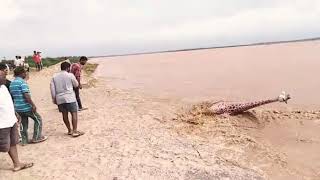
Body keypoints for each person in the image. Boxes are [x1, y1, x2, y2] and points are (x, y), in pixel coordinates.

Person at [0, 71, 33, 172]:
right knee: (3, 146)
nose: (5, 78)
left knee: (12, 143)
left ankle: (17, 164)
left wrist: (15, 113)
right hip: (1, 124)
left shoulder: (4, 87)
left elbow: (7, 102)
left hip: (10, 120)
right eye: (3, 76)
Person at [9, 67, 47, 145]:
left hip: (17, 107)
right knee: (38, 119)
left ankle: (24, 140)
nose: (26, 74)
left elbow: (12, 96)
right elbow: (26, 95)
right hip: (26, 107)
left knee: (23, 123)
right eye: (25, 73)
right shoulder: (22, 82)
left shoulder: (12, 83)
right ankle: (36, 137)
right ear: (22, 73)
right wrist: (33, 105)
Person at [50, 62, 84, 137]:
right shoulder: (70, 75)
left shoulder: (54, 76)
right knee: (74, 113)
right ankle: (75, 131)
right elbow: (76, 84)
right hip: (69, 97)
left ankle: (69, 130)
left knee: (64, 114)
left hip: (60, 98)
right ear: (68, 68)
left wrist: (54, 99)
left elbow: (52, 89)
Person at [206, 91, 291, 115]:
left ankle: (278, 98)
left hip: (229, 107)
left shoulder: (217, 109)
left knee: (255, 103)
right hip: (229, 107)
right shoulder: (218, 108)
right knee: (255, 103)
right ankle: (279, 99)